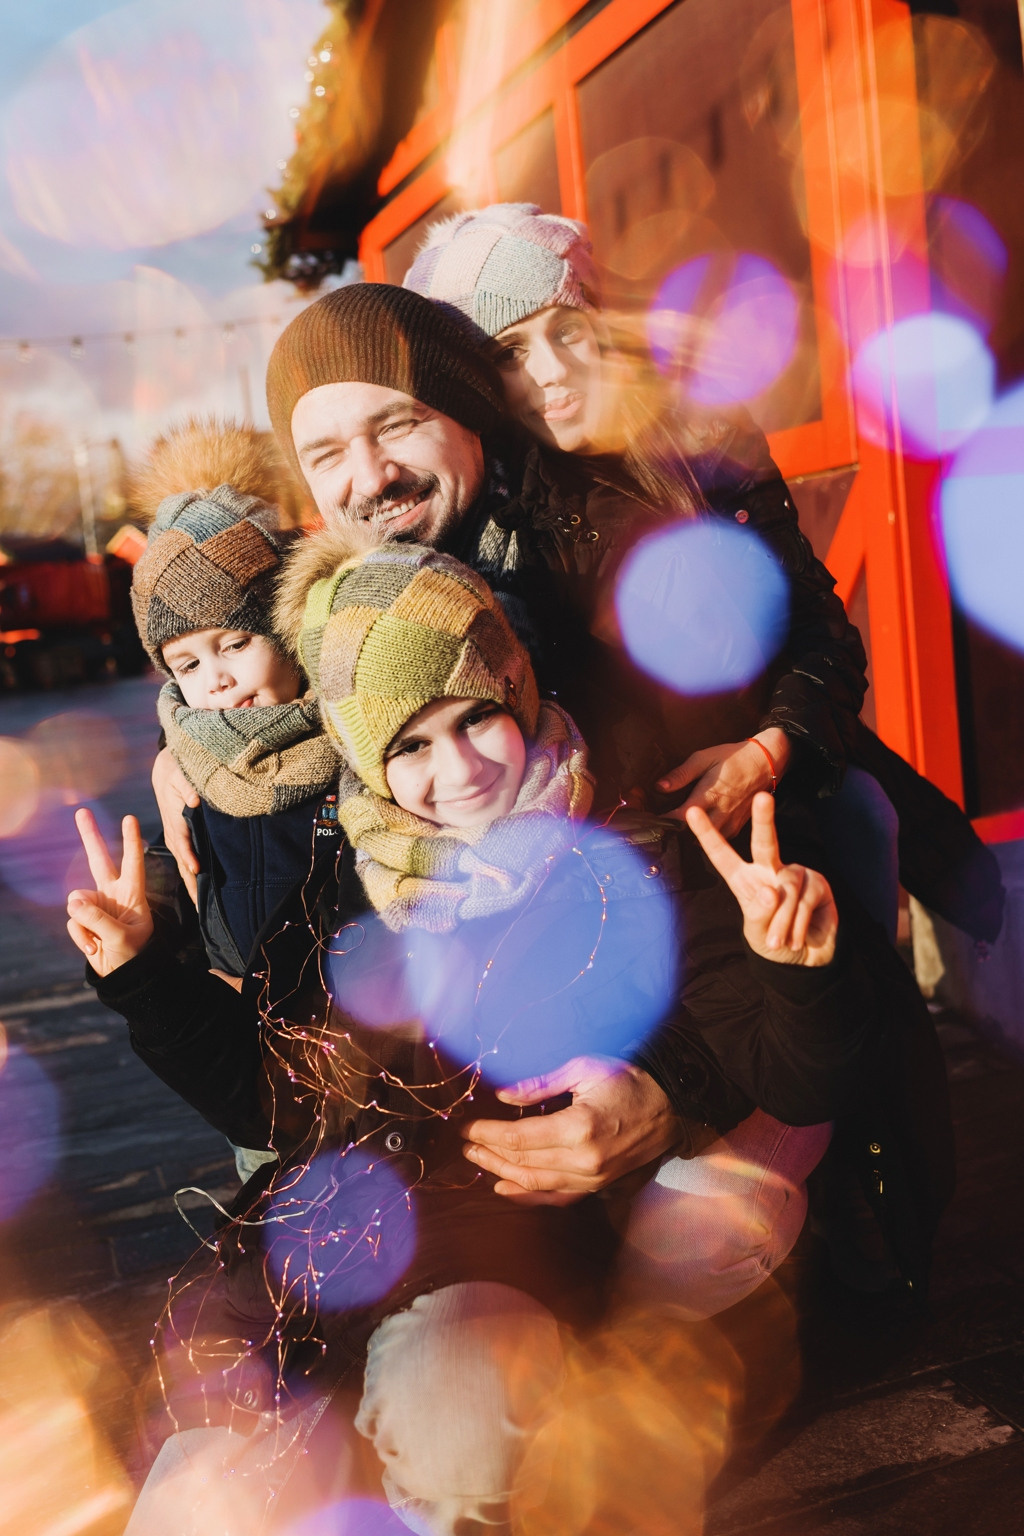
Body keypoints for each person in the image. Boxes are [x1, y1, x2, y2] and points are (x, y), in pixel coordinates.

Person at [142, 283, 951, 1285]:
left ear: (468, 413)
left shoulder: (605, 570)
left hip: (708, 1001)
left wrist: (667, 1090)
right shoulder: (344, 614)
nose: (369, 475)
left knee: (691, 1250)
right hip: (504, 1058)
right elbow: (235, 681)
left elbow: (722, 903)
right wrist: (200, 753)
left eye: (397, 424)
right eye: (327, 452)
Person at [74, 533, 873, 1532]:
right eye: (408, 745)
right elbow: (274, 1105)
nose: (455, 770)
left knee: (456, 1414)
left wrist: (793, 971)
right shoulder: (340, 883)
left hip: (498, 1260)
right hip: (321, 1265)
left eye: (476, 718)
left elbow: (793, 1078)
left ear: (518, 687)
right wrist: (144, 977)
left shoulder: (639, 854)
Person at [403, 201, 1005, 945]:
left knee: (863, 816)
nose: (552, 371)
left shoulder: (704, 434)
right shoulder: (496, 523)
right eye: (509, 352)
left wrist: (768, 752)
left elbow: (817, 626)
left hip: (789, 771)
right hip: (638, 843)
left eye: (567, 330)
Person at [71, 418, 340, 1177]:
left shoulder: (356, 736)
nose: (216, 680)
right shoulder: (193, 760)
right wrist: (148, 922)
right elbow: (195, 872)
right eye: (186, 663)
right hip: (250, 1067)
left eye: (235, 642)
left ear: (287, 628)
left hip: (367, 1059)